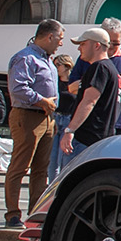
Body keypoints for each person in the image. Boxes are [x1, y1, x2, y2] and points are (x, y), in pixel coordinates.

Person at [4, 19, 63, 227]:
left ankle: (35, 213)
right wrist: (42, 100)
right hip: (27, 115)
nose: (60, 44)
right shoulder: (25, 58)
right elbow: (18, 88)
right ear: (49, 36)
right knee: (20, 166)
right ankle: (12, 213)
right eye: (60, 38)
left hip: (47, 118)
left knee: (41, 169)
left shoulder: (48, 61)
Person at [70, 18, 121, 138]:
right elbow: (71, 87)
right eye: (107, 42)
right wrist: (96, 82)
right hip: (91, 125)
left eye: (116, 43)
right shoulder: (86, 58)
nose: (110, 47)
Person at [59, 28, 120, 162]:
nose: (79, 48)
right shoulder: (109, 68)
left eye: (83, 44)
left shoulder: (100, 67)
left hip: (86, 140)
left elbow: (89, 101)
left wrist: (70, 130)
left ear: (97, 45)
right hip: (97, 140)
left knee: (71, 181)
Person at [46, 53, 75, 182]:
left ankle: (61, 186)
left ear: (66, 65)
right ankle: (52, 186)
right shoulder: (54, 82)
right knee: (52, 158)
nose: (55, 67)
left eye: (58, 65)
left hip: (69, 118)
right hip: (55, 117)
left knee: (64, 157)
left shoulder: (75, 82)